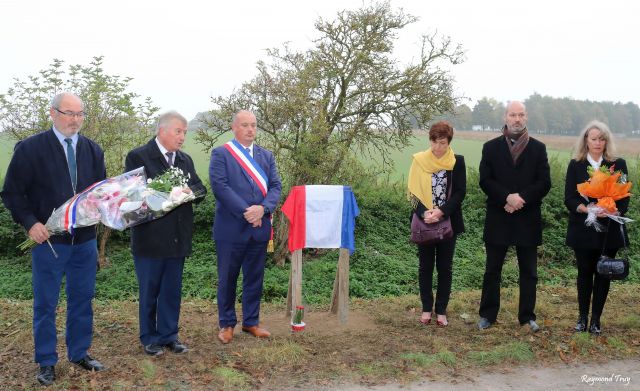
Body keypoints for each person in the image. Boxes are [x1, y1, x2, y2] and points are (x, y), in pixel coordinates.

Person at [1, 92, 107, 386]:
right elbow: (11, 193)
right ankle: (47, 360)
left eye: (80, 114)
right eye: (69, 113)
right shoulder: (30, 148)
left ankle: (79, 353)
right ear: (53, 113)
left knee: (82, 300)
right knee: (46, 304)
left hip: (84, 242)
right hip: (48, 243)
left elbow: (99, 194)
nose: (75, 120)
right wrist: (30, 223)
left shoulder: (93, 150)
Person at [124, 111, 206, 356]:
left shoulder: (185, 160)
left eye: (185, 132)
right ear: (162, 131)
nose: (182, 137)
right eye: (178, 131)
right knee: (150, 291)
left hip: (178, 238)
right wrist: (167, 194)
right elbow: (134, 196)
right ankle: (150, 338)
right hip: (150, 240)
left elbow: (200, 188)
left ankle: (169, 335)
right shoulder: (138, 156)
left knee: (171, 290)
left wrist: (188, 192)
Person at [477, 101, 551, 332]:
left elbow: (544, 183)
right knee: (492, 270)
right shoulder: (490, 148)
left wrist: (521, 199)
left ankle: (527, 317)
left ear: (526, 117)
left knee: (529, 272)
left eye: (520, 115)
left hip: (527, 218)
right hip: (498, 216)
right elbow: (485, 180)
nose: (517, 119)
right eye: (513, 115)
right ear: (506, 117)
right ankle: (488, 315)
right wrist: (507, 197)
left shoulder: (538, 148)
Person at [209, 110, 282, 344]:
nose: (250, 129)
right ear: (234, 127)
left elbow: (276, 187)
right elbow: (220, 187)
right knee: (227, 278)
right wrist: (247, 212)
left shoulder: (266, 156)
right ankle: (227, 324)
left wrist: (263, 209)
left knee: (254, 277)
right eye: (245, 125)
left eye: (253, 125)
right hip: (231, 229)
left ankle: (251, 322)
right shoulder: (221, 154)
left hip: (259, 228)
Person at [564, 121, 630, 335]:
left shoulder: (618, 164)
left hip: (608, 229)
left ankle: (596, 320)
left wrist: (612, 209)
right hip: (583, 228)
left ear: (606, 141)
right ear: (586, 140)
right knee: (584, 273)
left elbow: (624, 198)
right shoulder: (576, 164)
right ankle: (582, 318)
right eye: (594, 138)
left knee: (604, 273)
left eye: (602, 139)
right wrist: (588, 209)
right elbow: (570, 198)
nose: (598, 143)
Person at [408, 121, 466, 327]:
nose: (437, 147)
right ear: (429, 140)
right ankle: (426, 308)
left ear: (449, 142)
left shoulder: (457, 162)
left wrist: (441, 212)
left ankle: (441, 310)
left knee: (445, 267)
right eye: (434, 142)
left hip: (448, 222)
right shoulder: (419, 161)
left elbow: (460, 192)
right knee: (425, 267)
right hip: (424, 222)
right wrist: (425, 213)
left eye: (442, 143)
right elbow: (412, 194)